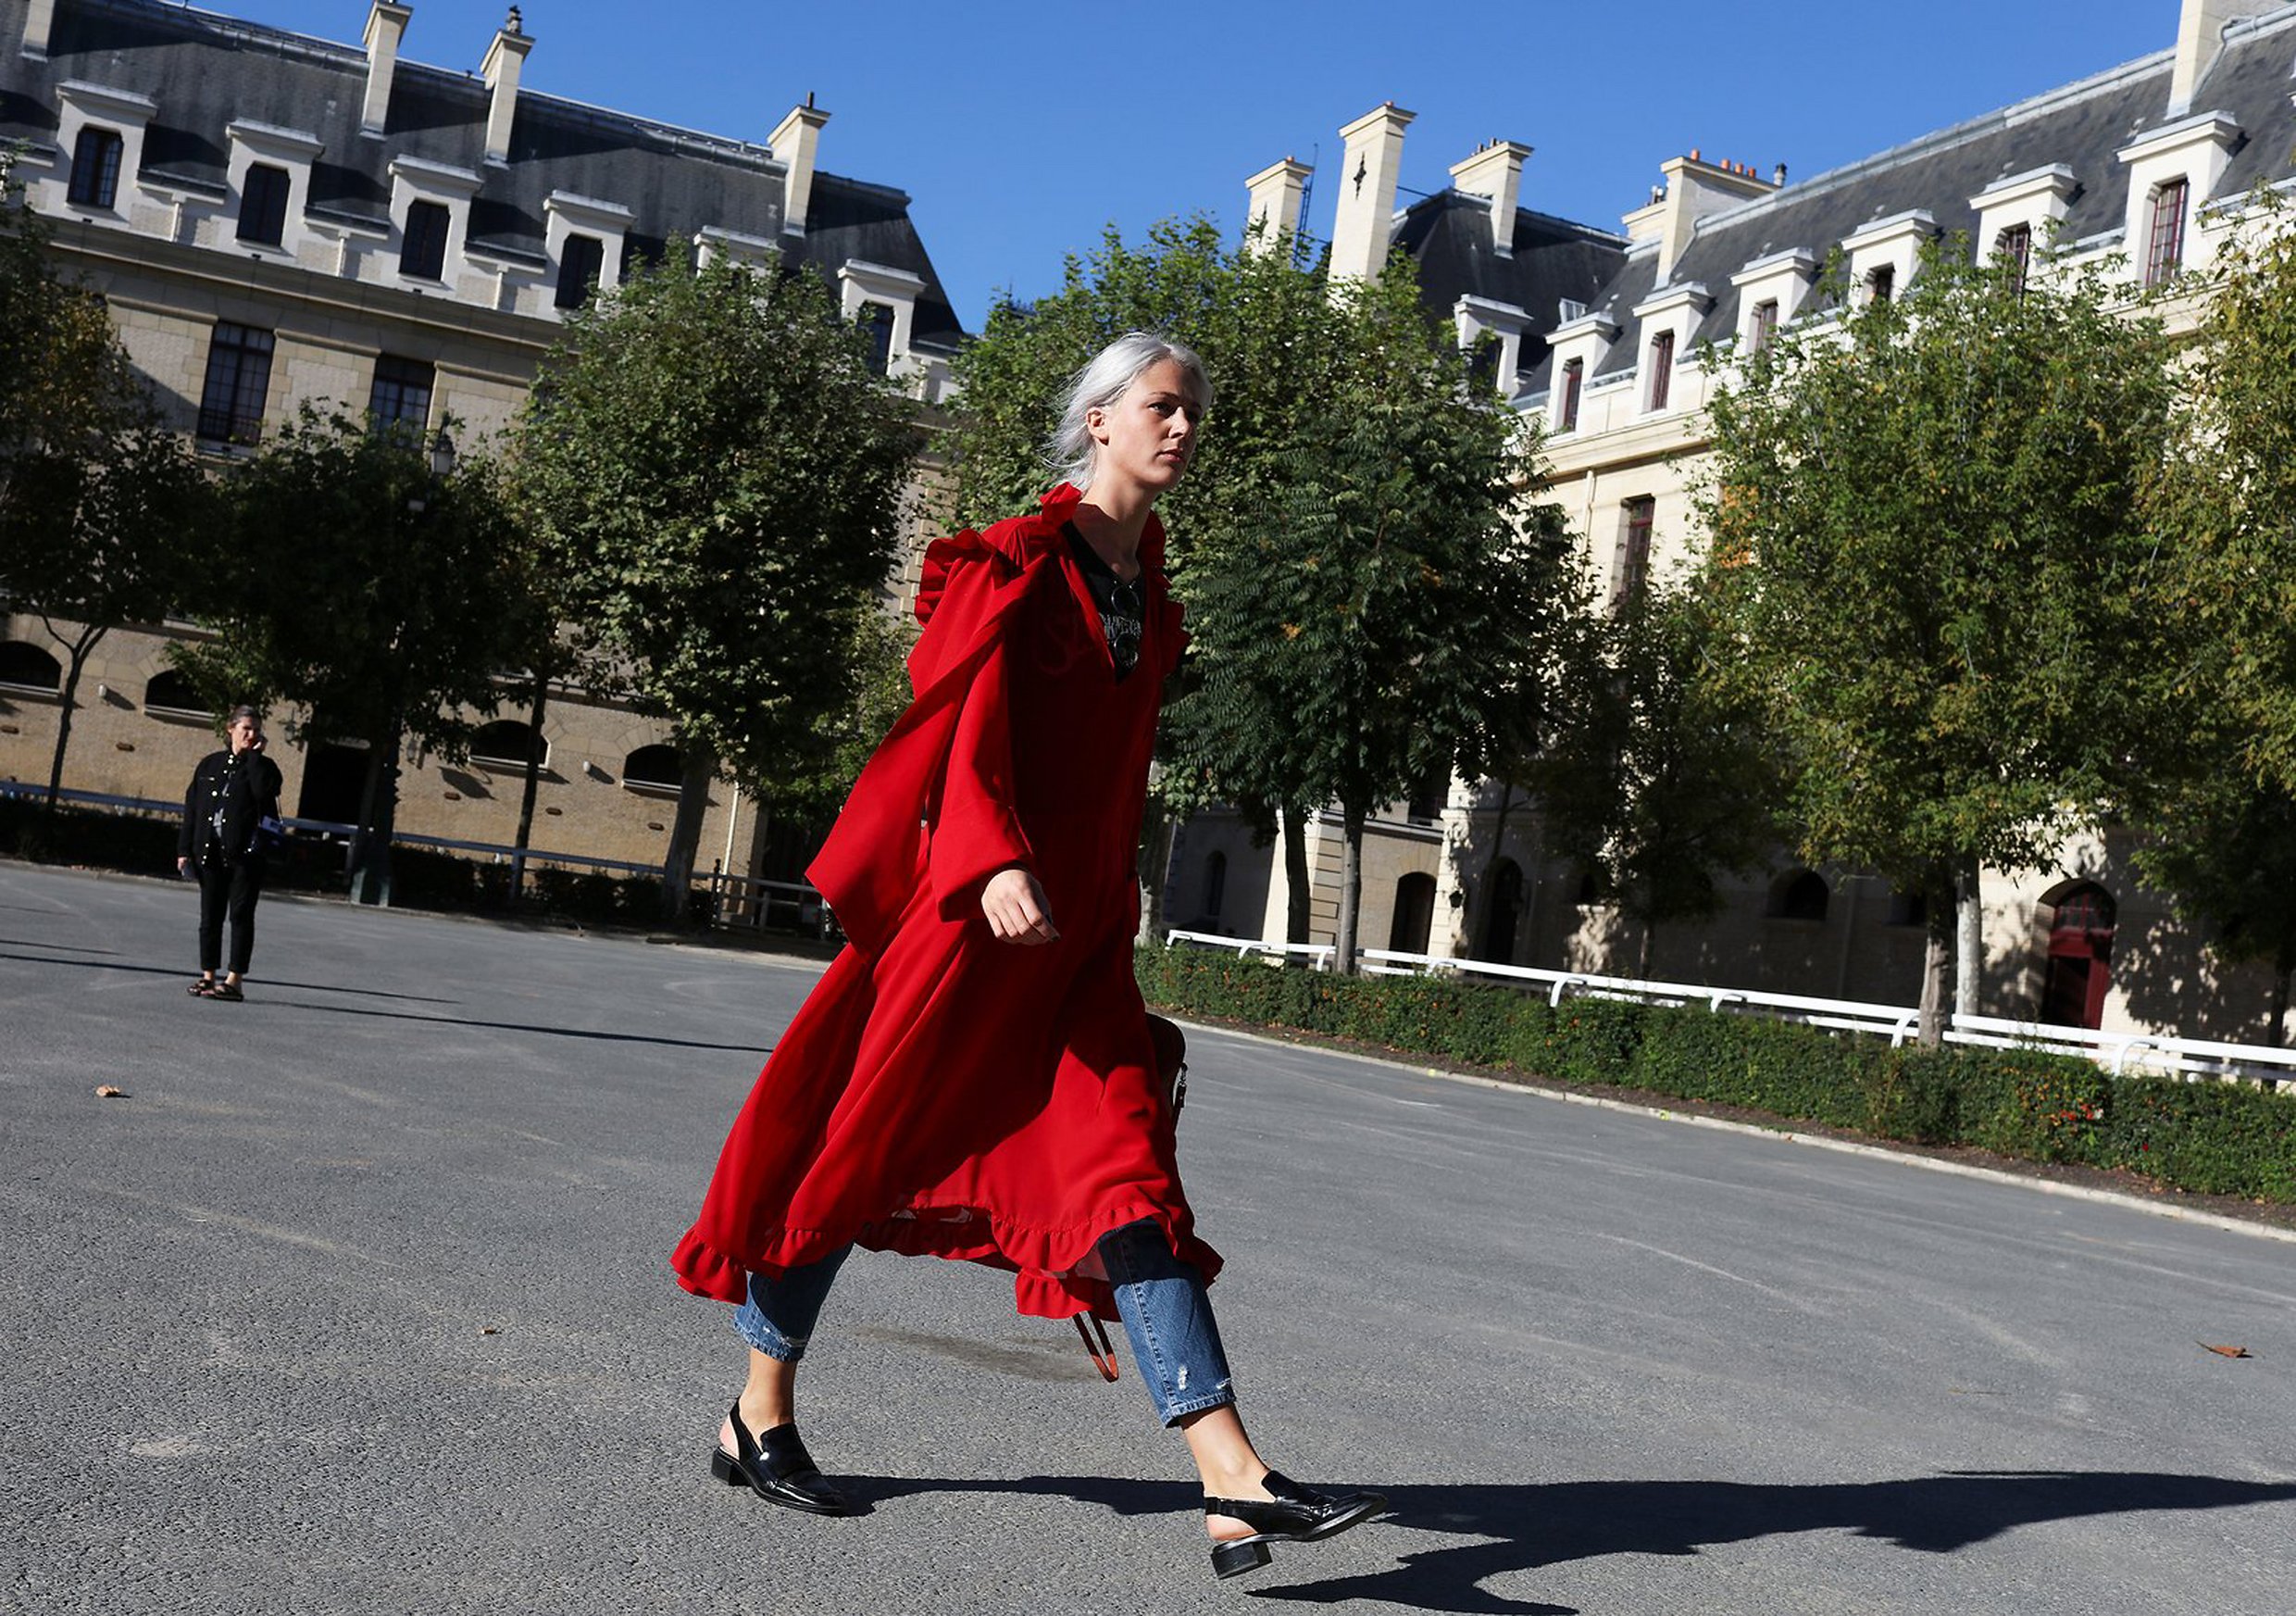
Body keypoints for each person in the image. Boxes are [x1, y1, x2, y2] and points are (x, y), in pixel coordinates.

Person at [673, 332, 1386, 1581]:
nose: (1183, 431)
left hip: (1082, 944)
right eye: (1164, 408)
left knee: (1129, 1180)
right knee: (859, 1155)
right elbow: (955, 723)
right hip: (973, 923)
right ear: (1099, 419)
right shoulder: (1014, 560)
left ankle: (1230, 1478)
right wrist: (992, 858)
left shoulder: (1149, 590)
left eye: (1194, 416)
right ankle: (758, 1407)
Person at [177, 706, 283, 1002]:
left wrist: (255, 757)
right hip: (208, 853)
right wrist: (184, 849)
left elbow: (265, 792)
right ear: (230, 729)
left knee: (240, 915)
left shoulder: (264, 767)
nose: (252, 734)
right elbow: (192, 810)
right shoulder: (210, 765)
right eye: (246, 728)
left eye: (257, 730)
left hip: (246, 857)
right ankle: (208, 975)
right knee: (209, 916)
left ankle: (235, 981)